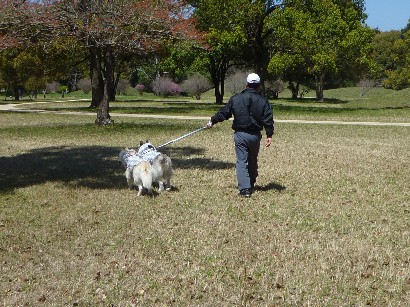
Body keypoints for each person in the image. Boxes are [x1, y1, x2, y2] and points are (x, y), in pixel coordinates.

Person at [205, 73, 274, 197]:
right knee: (252, 159)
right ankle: (251, 183)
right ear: (258, 86)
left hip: (240, 135)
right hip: (255, 136)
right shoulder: (263, 100)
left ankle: (244, 189)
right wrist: (269, 134)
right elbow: (268, 118)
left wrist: (213, 120)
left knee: (242, 161)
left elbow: (225, 113)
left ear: (246, 85)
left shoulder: (236, 98)